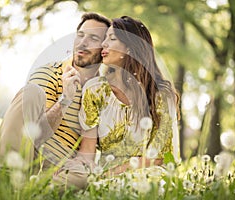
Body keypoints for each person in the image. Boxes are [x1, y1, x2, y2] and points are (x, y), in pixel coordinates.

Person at [53, 16, 180, 189]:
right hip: (104, 177)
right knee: (61, 185)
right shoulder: (95, 90)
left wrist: (108, 175)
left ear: (131, 47)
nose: (104, 44)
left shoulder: (161, 96)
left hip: (149, 175)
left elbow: (158, 157)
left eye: (112, 38)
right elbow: (87, 153)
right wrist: (70, 167)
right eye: (105, 38)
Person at [0, 13, 110, 171]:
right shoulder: (48, 73)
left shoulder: (103, 93)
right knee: (30, 92)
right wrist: (65, 100)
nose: (83, 43)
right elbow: (38, 135)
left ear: (104, 49)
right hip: (30, 154)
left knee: (79, 178)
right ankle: (4, 175)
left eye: (93, 38)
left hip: (62, 167)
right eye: (80, 35)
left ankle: (32, 190)